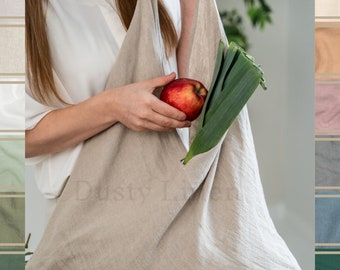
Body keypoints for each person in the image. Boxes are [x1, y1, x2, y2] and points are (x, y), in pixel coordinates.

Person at [26, 0, 301, 269]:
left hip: (175, 194)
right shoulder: (24, 15)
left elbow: (196, 88)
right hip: (91, 208)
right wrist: (112, 107)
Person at [26, 0, 194, 200]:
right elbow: (20, 139)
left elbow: (196, 76)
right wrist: (112, 107)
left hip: (179, 185)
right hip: (92, 202)